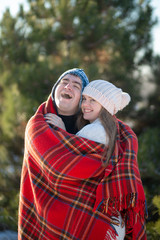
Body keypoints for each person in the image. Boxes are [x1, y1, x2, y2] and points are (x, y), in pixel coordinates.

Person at [18, 72, 147, 240]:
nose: (68, 86)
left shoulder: (95, 128)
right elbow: (58, 169)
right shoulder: (39, 124)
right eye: (63, 81)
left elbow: (83, 165)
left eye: (76, 85)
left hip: (91, 220)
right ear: (54, 89)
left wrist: (62, 132)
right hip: (47, 214)